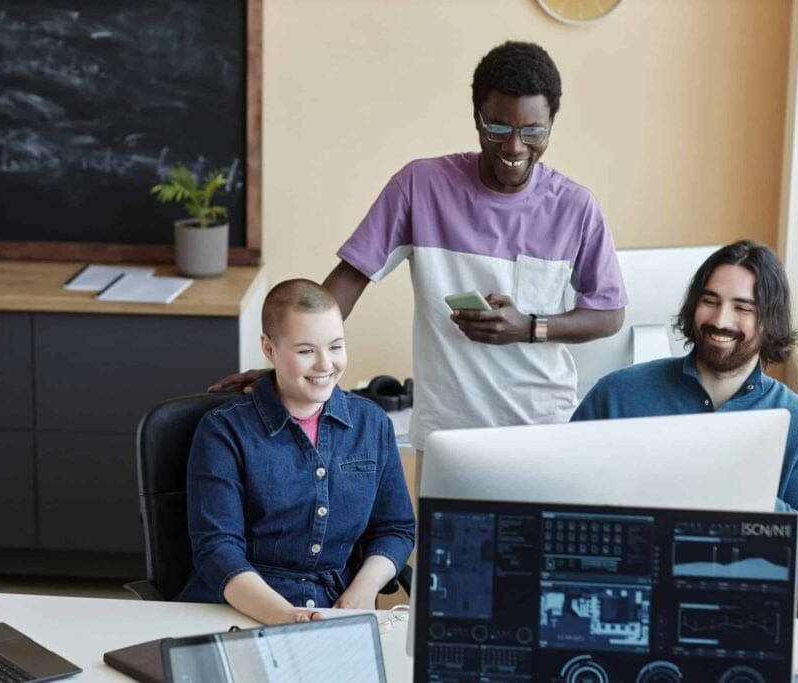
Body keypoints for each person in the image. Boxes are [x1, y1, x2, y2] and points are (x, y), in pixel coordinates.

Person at [212, 41, 627, 451]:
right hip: (446, 431)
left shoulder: (575, 207)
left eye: (533, 131)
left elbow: (609, 314)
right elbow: (346, 284)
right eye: (498, 128)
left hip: (542, 430)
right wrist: (286, 364)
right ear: (477, 119)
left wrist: (531, 327)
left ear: (551, 121)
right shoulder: (421, 187)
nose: (515, 147)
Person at [571, 240, 798, 594]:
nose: (720, 320)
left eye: (743, 308)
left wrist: (743, 485)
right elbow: (557, 505)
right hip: (625, 597)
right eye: (710, 301)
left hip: (737, 616)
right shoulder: (617, 395)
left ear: (769, 321)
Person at [178, 279, 415, 624]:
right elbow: (217, 550)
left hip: (338, 608)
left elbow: (395, 528)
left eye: (335, 347)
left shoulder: (372, 423)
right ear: (269, 348)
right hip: (242, 609)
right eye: (306, 351)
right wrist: (285, 616)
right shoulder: (223, 430)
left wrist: (361, 593)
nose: (325, 365)